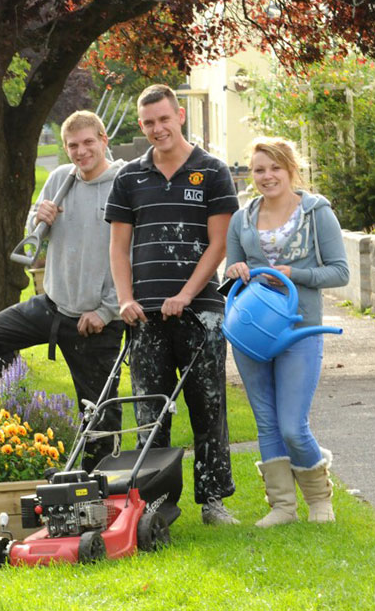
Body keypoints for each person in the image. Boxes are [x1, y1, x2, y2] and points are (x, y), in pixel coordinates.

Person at [105, 84, 240, 524]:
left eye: (164, 119)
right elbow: (118, 248)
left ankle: (213, 502)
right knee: (150, 409)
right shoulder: (128, 177)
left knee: (208, 405)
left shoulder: (213, 171)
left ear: (179, 115)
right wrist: (125, 299)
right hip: (145, 314)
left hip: (200, 312)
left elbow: (219, 243)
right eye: (148, 123)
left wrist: (185, 295)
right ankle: (155, 506)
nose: (157, 129)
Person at [0, 110, 125, 471]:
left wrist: (105, 311)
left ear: (104, 140)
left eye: (88, 142)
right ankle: (17, 425)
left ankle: (100, 485)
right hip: (55, 305)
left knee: (99, 411)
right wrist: (38, 218)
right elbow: (32, 244)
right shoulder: (60, 179)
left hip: (97, 318)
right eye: (73, 145)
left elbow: (130, 255)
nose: (81, 151)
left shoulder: (124, 183)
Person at [224, 137, 349, 527]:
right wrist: (236, 271)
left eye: (275, 167)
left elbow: (340, 272)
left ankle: (319, 500)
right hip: (252, 330)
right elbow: (231, 270)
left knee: (293, 424)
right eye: (259, 169)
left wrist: (295, 274)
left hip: (299, 329)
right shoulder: (241, 219)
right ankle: (282, 507)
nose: (267, 176)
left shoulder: (316, 213)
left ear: (290, 169)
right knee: (266, 421)